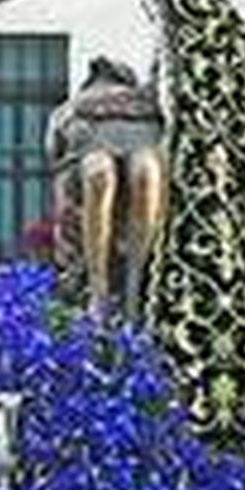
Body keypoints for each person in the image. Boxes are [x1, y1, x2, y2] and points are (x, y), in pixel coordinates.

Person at [45, 56, 167, 323]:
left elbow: (54, 154)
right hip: (103, 156)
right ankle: (108, 289)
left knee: (125, 172)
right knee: (111, 172)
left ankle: (119, 287)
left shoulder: (70, 109)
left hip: (111, 156)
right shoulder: (143, 105)